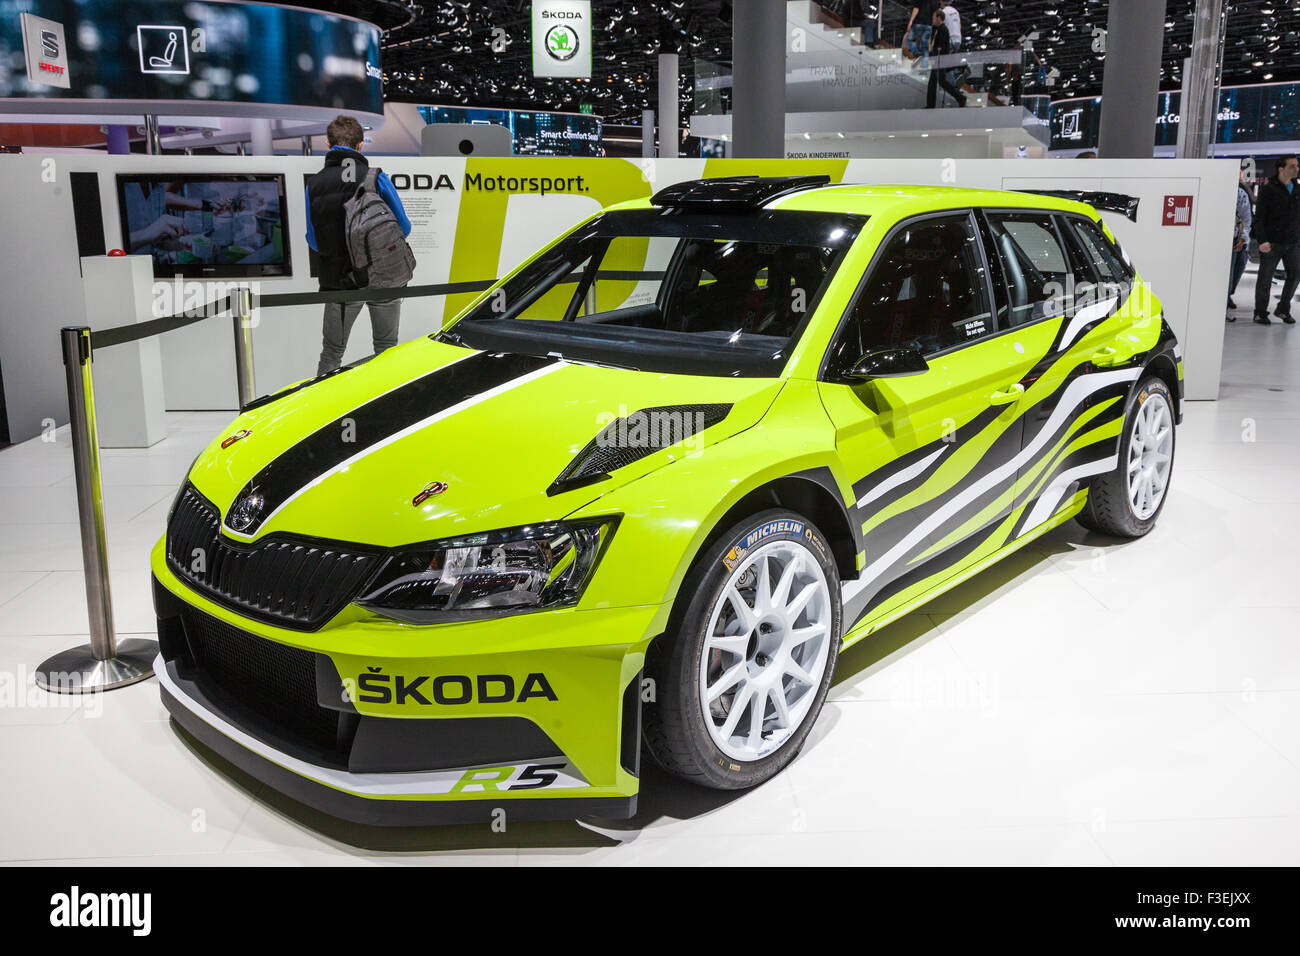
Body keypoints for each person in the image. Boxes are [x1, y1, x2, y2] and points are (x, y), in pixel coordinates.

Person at [305, 114, 413, 376]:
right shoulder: (376, 177)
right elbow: (404, 227)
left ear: (328, 145)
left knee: (332, 352)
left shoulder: (315, 184)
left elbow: (312, 239)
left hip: (340, 282)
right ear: (360, 145)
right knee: (386, 348)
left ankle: (323, 408)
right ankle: (385, 408)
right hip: (383, 277)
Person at [1250, 154, 1300, 325]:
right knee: (1265, 278)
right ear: (1281, 169)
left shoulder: (1297, 188)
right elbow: (1260, 217)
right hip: (1272, 242)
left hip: (1293, 242)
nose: (1296, 169)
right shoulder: (1269, 189)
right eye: (1292, 166)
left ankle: (1283, 309)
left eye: (1297, 166)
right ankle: (1260, 312)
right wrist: (1262, 240)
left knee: (1295, 275)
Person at [1227, 162, 1253, 321]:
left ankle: (1228, 295)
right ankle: (1223, 304)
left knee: (1237, 271)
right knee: (1227, 275)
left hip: (1239, 239)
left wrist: (1243, 238)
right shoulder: (1218, 193)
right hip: (1222, 240)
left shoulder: (1241, 193)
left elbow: (1246, 218)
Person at [926, 8, 966, 108]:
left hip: (940, 60)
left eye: (934, 18)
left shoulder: (943, 29)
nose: (933, 20)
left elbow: (944, 47)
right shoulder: (937, 29)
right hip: (936, 59)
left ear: (939, 18)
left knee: (942, 82)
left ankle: (960, 97)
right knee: (932, 83)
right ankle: (930, 105)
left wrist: (939, 57)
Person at [903, 1, 937, 70]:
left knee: (910, 39)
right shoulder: (935, 2)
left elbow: (916, 9)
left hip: (919, 23)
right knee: (925, 46)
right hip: (928, 25)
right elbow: (935, 14)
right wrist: (932, 25)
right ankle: (924, 67)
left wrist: (911, 21)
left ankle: (917, 53)